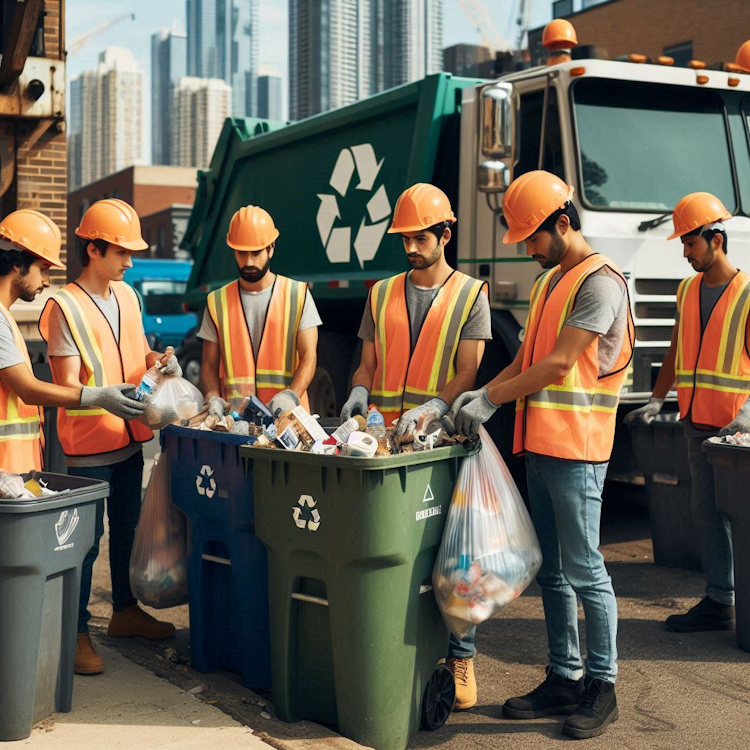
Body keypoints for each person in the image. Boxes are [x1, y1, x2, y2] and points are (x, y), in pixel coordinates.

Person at [450, 170, 633, 739]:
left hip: (578, 450)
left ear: (563, 223)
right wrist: (477, 397)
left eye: (532, 238)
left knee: (585, 569)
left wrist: (492, 398)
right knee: (554, 573)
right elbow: (528, 359)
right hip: (542, 447)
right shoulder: (549, 282)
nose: (527, 249)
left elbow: (558, 365)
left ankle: (601, 686)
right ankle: (564, 675)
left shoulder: (600, 283)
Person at [340, 182, 491, 709]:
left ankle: (462, 654)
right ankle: (396, 648)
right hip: (384, 444)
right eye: (404, 237)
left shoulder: (472, 294)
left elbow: (469, 370)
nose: (410, 247)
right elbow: (367, 363)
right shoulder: (381, 293)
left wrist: (433, 407)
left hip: (441, 440)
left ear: (445, 234)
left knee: (454, 553)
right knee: (391, 553)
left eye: (420, 237)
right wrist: (359, 391)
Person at [39, 199, 179, 676]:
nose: (131, 262)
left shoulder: (128, 297)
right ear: (94, 249)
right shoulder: (64, 306)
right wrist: (101, 396)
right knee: (85, 541)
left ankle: (123, 612)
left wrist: (160, 361)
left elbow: (137, 355)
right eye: (122, 252)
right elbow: (65, 384)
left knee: (126, 528)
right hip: (87, 446)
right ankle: (76, 632)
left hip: (129, 435)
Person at [625, 192, 747, 633]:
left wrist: (748, 414)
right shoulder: (687, 289)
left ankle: (735, 597)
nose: (685, 251)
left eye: (690, 243)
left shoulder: (748, 293)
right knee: (707, 513)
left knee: (741, 517)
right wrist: (657, 398)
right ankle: (721, 599)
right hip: (697, 425)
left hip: (736, 434)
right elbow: (676, 349)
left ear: (715, 240)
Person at [0, 208, 146, 474]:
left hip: (14, 469)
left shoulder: (5, 318)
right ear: (16, 264)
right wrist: (98, 395)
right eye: (43, 269)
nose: (47, 280)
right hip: (12, 469)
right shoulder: (3, 320)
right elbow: (28, 389)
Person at [198, 205, 320, 418]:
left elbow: (309, 356)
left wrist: (291, 396)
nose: (249, 262)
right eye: (242, 253)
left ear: (271, 248)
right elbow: (208, 364)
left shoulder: (297, 294)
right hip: (235, 423)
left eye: (256, 253)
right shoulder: (217, 301)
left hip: (287, 420)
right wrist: (212, 397)